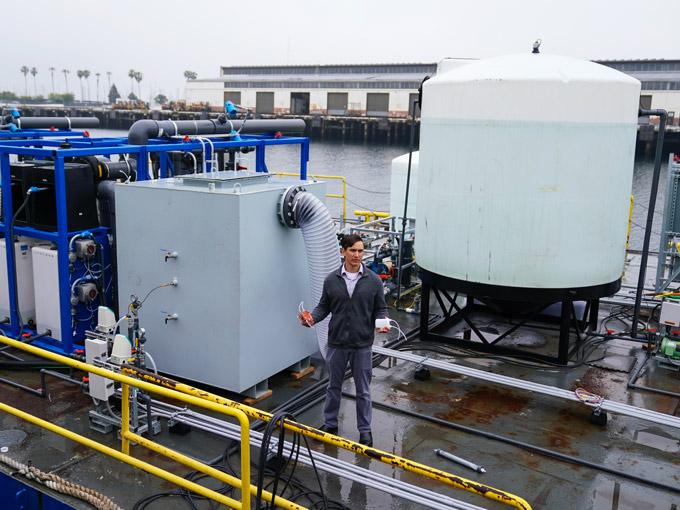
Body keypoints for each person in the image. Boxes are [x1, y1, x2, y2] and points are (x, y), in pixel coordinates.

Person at [298, 233, 389, 447]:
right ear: (343, 252)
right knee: (333, 387)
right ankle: (330, 424)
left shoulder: (374, 281)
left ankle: (365, 431)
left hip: (362, 345)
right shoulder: (331, 280)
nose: (357, 255)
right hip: (337, 343)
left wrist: (383, 321)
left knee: (363, 390)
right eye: (353, 250)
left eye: (360, 251)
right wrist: (311, 318)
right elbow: (323, 307)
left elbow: (381, 308)